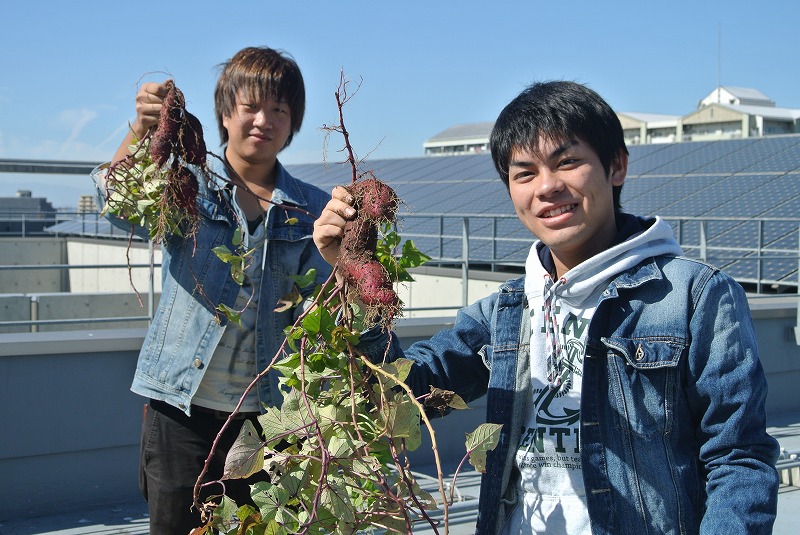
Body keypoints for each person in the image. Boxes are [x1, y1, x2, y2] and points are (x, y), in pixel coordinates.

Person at [313, 80, 780, 534]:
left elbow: (738, 458)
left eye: (568, 162)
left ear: (616, 166)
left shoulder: (692, 297)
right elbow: (401, 391)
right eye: (525, 173)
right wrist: (354, 276)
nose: (547, 187)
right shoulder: (504, 312)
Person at [91, 46, 332, 534]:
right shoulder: (187, 184)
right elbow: (115, 202)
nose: (263, 120)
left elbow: (324, 305)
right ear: (225, 113)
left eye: (279, 110)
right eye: (251, 106)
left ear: (293, 122)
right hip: (181, 409)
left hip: (269, 415)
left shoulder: (311, 208)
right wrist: (140, 130)